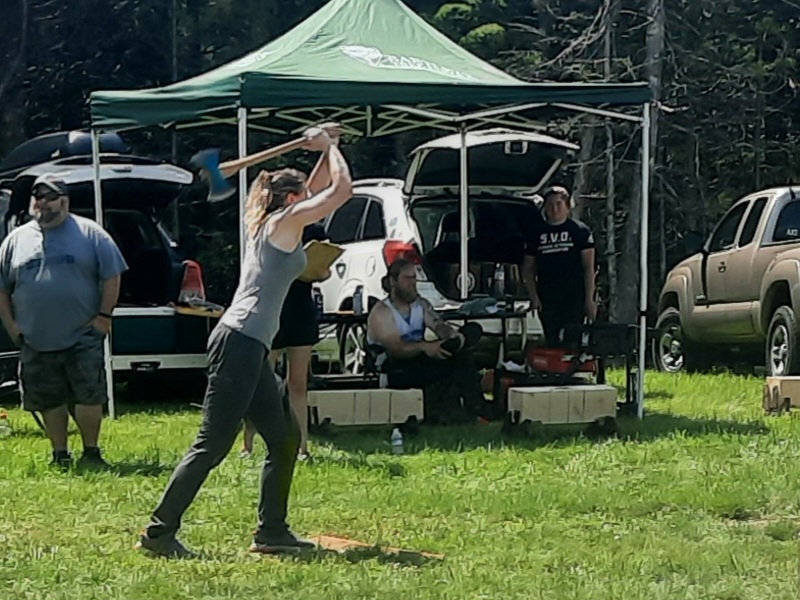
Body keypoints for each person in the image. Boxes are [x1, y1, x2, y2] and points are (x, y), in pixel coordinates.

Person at [136, 124, 352, 559]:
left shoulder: (276, 218)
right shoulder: (285, 222)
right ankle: (159, 533)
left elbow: (319, 186)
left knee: (285, 438)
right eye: (302, 195)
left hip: (249, 344)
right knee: (213, 443)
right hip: (239, 341)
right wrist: (328, 146)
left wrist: (329, 146)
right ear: (293, 200)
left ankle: (271, 532)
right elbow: (340, 192)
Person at [0, 173, 128, 468]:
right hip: (35, 337)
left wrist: (104, 317)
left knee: (88, 394)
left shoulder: (91, 234)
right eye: (37, 196)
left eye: (49, 196)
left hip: (82, 333)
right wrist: (12, 326)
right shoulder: (16, 240)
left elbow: (112, 274)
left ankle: (92, 453)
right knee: (48, 397)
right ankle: (60, 454)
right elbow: (2, 288)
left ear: (65, 201)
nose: (41, 202)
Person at [240, 222, 330, 460]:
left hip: (301, 311)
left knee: (298, 383)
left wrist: (321, 270)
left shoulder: (315, 229)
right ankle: (248, 444)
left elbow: (324, 270)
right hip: (274, 309)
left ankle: (303, 447)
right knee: (262, 380)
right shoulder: (275, 226)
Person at [366, 258, 488, 424]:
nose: (413, 283)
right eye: (407, 278)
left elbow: (437, 325)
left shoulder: (421, 305)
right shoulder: (381, 312)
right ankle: (447, 412)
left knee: (461, 356)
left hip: (417, 358)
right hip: (393, 366)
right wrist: (425, 347)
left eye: (414, 278)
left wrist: (452, 336)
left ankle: (474, 410)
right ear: (393, 281)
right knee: (445, 368)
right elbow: (396, 350)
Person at [522, 185, 596, 347]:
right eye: (550, 205)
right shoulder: (536, 233)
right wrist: (533, 296)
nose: (554, 209)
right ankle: (551, 371)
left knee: (573, 340)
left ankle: (572, 371)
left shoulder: (580, 231)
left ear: (567, 207)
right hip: (547, 296)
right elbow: (528, 268)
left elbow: (588, 268)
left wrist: (589, 299)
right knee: (551, 341)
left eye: (558, 204)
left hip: (574, 296)